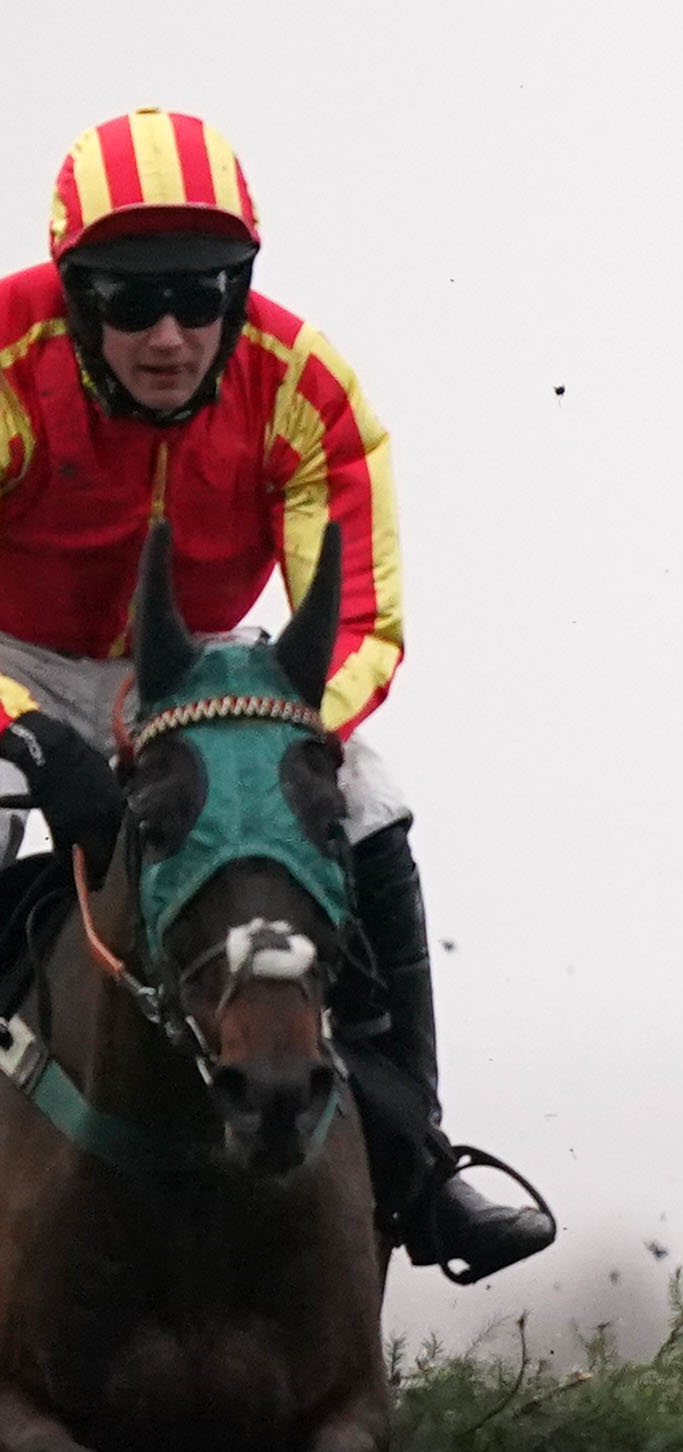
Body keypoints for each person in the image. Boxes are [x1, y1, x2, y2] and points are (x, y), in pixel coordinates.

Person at [0, 107, 552, 1279]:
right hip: (13, 653)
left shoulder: (307, 391)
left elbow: (358, 627)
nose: (168, 335)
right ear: (74, 294)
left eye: (200, 298)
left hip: (201, 666)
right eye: (130, 300)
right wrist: (32, 733)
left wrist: (265, 737)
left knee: (364, 798)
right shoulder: (5, 361)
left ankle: (419, 1163)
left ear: (239, 290)